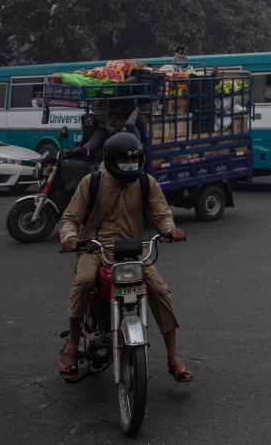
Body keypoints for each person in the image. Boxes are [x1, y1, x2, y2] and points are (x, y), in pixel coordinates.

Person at [57, 132, 192, 383]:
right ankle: (73, 343)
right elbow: (70, 218)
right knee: (84, 281)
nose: (130, 164)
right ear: (111, 160)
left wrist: (170, 229)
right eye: (123, 160)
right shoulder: (92, 182)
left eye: (133, 160)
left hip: (133, 251)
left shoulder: (147, 183)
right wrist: (69, 237)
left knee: (159, 290)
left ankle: (173, 356)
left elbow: (161, 214)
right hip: (95, 249)